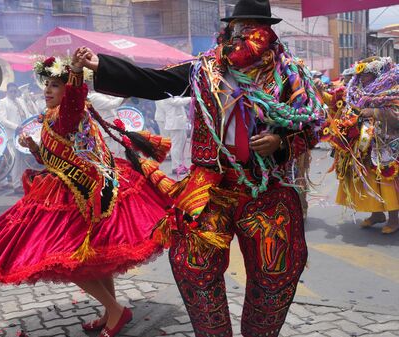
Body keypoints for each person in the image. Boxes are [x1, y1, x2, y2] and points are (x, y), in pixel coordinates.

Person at [75, 0, 324, 335]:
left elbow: (311, 126)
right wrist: (101, 64)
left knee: (276, 272)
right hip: (212, 186)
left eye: (254, 27)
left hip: (265, 190)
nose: (245, 34)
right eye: (239, 27)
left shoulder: (288, 74)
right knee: (191, 263)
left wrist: (281, 142)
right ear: (229, 30)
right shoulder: (205, 70)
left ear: (268, 32)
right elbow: (152, 81)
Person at [0, 55, 171, 337]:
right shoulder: (51, 116)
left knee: (72, 264)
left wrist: (76, 72)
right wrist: (34, 146)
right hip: (67, 189)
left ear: (67, 89)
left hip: (83, 195)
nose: (48, 90)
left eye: (55, 86)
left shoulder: (69, 111)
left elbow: (73, 99)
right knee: (92, 259)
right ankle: (111, 312)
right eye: (46, 85)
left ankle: (116, 312)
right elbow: (55, 157)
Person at [327, 57, 399, 234]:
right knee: (370, 181)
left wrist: (374, 112)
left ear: (377, 74)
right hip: (364, 145)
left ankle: (394, 219)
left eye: (366, 74)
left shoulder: (392, 89)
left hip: (386, 145)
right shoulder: (356, 91)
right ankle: (377, 214)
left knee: (388, 181)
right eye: (361, 75)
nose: (363, 78)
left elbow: (396, 113)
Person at [0, 83, 33, 193]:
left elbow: (27, 114)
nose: (13, 93)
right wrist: (16, 127)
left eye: (15, 91)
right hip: (12, 135)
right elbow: (3, 119)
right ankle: (17, 185)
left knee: (24, 160)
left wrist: (32, 122)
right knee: (16, 161)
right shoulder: (2, 103)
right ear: (7, 91)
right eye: (11, 91)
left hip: (23, 134)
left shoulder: (20, 101)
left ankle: (24, 182)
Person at [160, 96, 192, 174]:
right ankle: (176, 167)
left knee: (181, 145)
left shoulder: (172, 93)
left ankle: (180, 165)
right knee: (176, 146)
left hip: (179, 123)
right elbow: (177, 102)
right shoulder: (167, 94)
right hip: (175, 124)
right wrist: (191, 98)